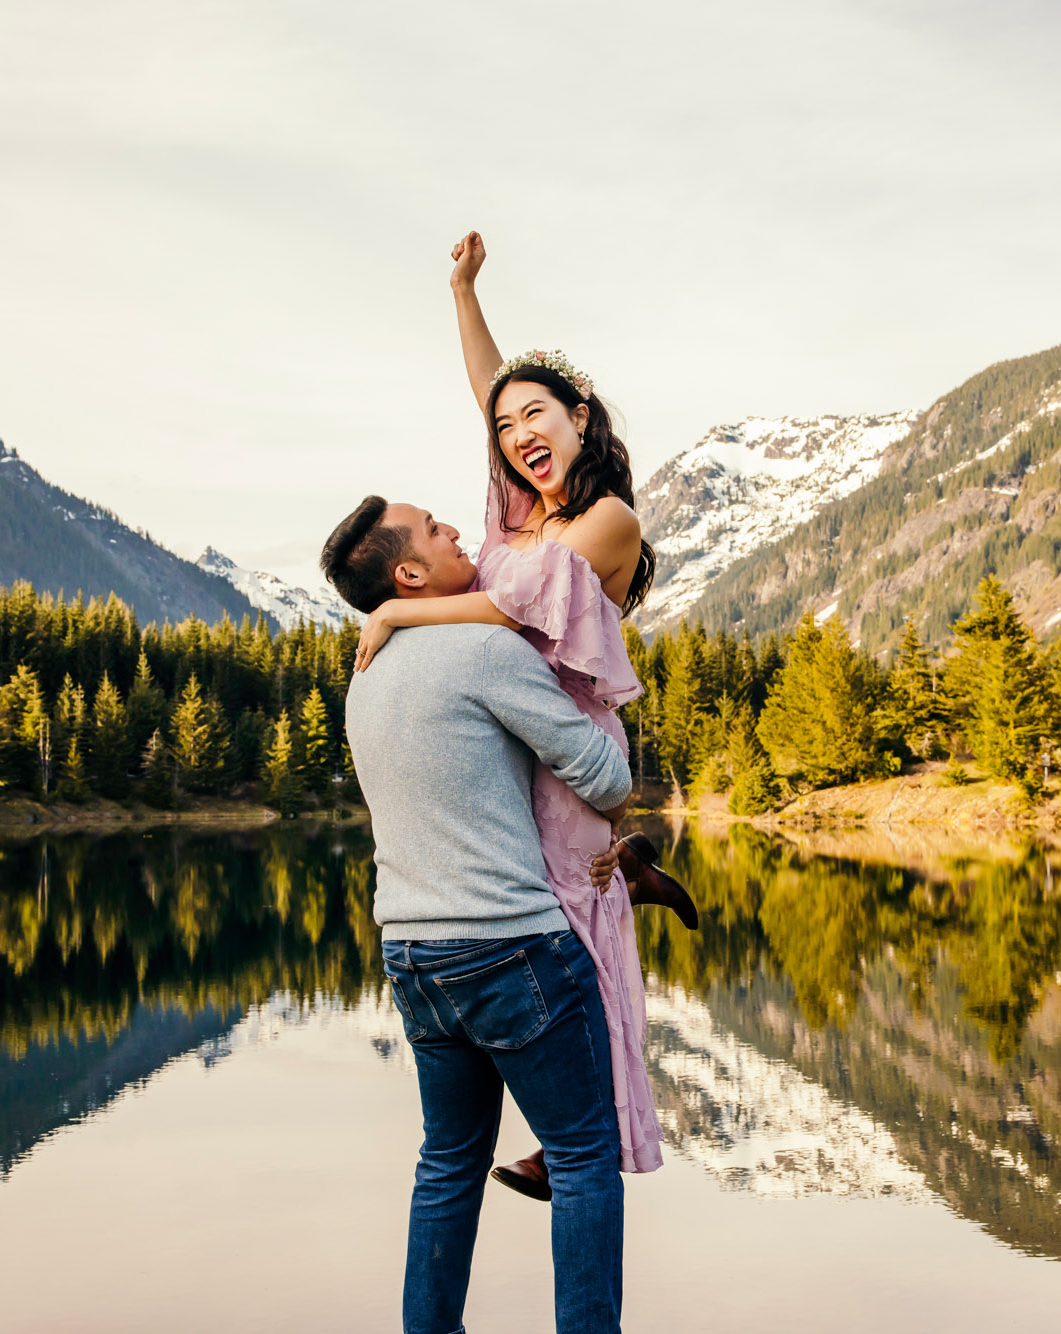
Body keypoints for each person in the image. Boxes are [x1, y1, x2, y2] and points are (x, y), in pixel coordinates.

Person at [347, 230, 693, 1202]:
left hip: (571, 749)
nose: (516, 436)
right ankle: (566, 1119)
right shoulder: (515, 508)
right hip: (517, 747)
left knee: (569, 938)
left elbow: (512, 609)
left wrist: (400, 608)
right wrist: (461, 291)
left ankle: (581, 1132)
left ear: (582, 417)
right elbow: (491, 389)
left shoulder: (607, 520)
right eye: (506, 433)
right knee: (534, 938)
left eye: (538, 417)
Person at [325, 495, 630, 1334]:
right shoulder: (485, 651)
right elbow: (605, 780)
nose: (458, 530)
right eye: (435, 529)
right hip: (509, 948)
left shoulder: (368, 675)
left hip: (413, 956)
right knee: (582, 1158)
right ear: (410, 574)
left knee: (449, 1163)